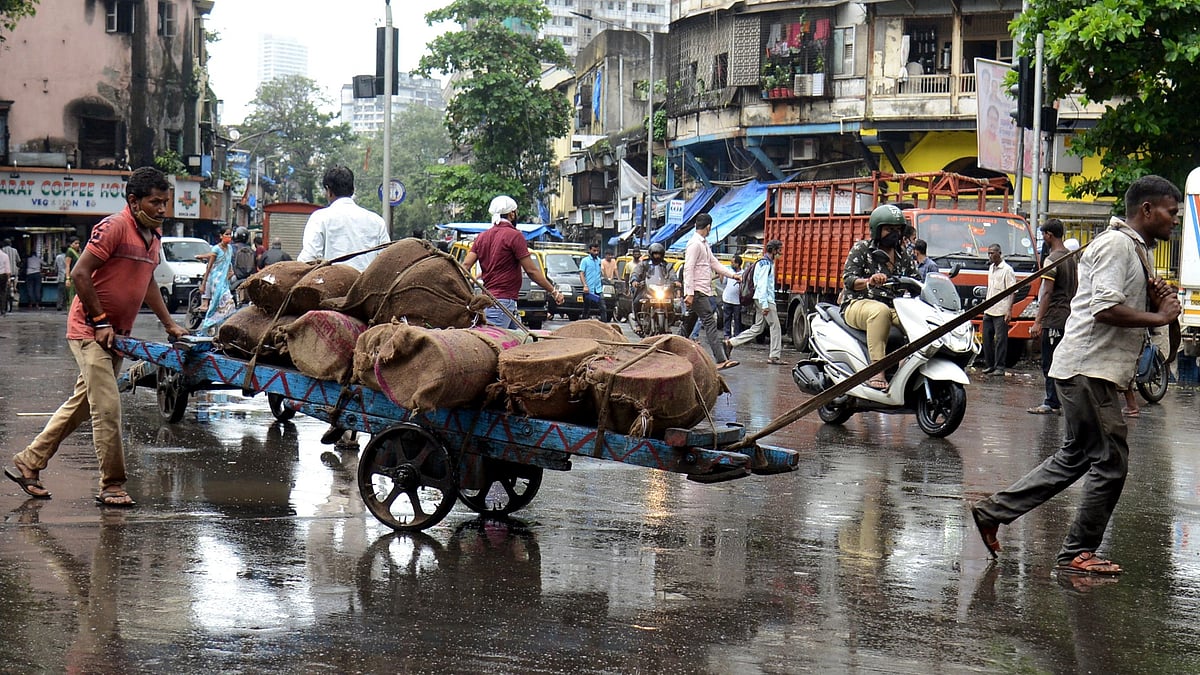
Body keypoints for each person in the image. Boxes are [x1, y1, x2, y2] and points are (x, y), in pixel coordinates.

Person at [970, 175, 1182, 576]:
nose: (1175, 221)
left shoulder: (1134, 249)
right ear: (1147, 210)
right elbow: (1105, 308)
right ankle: (1077, 553)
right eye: (1171, 213)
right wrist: (1159, 314)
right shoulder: (1117, 246)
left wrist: (1158, 305)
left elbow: (1129, 309)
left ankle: (992, 512)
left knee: (1075, 458)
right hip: (1088, 371)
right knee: (1111, 460)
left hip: (1089, 370)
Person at [4, 166, 188, 506]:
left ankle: (29, 461)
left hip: (115, 336)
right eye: (155, 202)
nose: (162, 209)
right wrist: (101, 320)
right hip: (90, 331)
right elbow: (80, 274)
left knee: (81, 405)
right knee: (107, 407)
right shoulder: (115, 227)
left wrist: (170, 325)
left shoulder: (154, 237)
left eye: (165, 202)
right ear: (134, 202)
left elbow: (147, 282)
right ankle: (112, 485)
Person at [841, 204, 918, 390]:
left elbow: (917, 279)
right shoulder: (862, 249)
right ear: (877, 229)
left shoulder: (904, 255)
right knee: (880, 311)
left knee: (918, 320)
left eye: (897, 229)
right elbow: (849, 280)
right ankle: (876, 369)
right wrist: (869, 280)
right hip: (858, 303)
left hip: (895, 306)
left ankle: (908, 366)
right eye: (888, 229)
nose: (894, 233)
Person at [461, 195, 564, 329]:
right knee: (494, 345)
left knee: (518, 344)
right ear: (511, 213)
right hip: (502, 303)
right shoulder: (515, 236)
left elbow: (465, 266)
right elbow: (532, 271)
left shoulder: (482, 237)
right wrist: (554, 291)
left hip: (496, 301)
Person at [1027, 219, 1078, 414]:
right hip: (1068, 316)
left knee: (1050, 362)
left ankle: (1051, 402)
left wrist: (1038, 321)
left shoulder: (1052, 260)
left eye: (1044, 235)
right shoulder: (1071, 258)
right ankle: (1058, 401)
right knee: (1063, 361)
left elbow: (1047, 292)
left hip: (1054, 318)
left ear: (1049, 235)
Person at [298, 166, 391, 272]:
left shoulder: (319, 218)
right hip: (367, 286)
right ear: (352, 189)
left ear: (329, 191)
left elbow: (309, 258)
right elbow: (386, 260)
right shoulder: (377, 221)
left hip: (330, 284)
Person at [680, 213, 739, 370]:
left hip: (702, 291)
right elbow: (688, 268)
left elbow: (714, 263)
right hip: (697, 292)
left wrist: (732, 275)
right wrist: (690, 292)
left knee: (687, 326)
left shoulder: (704, 244)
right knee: (710, 322)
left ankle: (667, 350)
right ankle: (720, 359)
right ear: (709, 227)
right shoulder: (695, 244)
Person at [726, 240, 783, 364]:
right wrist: (765, 305)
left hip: (759, 298)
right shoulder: (766, 264)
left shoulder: (763, 262)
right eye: (779, 250)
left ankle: (731, 342)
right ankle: (774, 356)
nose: (780, 253)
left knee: (758, 328)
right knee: (775, 327)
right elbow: (762, 285)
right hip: (765, 299)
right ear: (773, 251)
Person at [980, 243, 1016, 376]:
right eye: (988, 253)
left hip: (1001, 310)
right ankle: (990, 365)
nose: (990, 256)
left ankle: (1000, 367)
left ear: (999, 253)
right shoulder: (991, 268)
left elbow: (1013, 291)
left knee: (1001, 340)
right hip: (989, 309)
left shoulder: (1007, 270)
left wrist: (1009, 310)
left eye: (992, 253)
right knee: (986, 338)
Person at [198, 228, 236, 334]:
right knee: (218, 303)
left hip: (224, 281)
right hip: (215, 281)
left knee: (228, 305)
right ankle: (209, 325)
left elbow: (228, 263)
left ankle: (219, 328)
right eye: (226, 234)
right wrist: (203, 284)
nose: (229, 236)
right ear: (221, 236)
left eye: (230, 234)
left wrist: (231, 272)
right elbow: (209, 268)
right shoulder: (216, 249)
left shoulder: (230, 249)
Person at [579, 242, 608, 321]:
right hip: (588, 289)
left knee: (603, 308)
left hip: (598, 289)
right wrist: (585, 285)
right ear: (590, 250)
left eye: (597, 251)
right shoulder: (585, 261)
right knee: (586, 309)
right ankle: (583, 324)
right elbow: (581, 273)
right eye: (594, 251)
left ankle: (604, 326)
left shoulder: (599, 261)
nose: (596, 253)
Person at [721, 255, 744, 338]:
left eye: (733, 263)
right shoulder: (729, 272)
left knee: (737, 319)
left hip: (737, 301)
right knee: (727, 318)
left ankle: (737, 335)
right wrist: (721, 273)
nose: (731, 264)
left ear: (738, 264)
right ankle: (727, 334)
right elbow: (723, 282)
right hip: (727, 299)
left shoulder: (743, 274)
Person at [64, 237, 81, 307]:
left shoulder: (77, 252)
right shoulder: (69, 251)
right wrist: (67, 278)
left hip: (77, 277)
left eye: (78, 243)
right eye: (75, 243)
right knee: (72, 296)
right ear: (71, 244)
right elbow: (67, 266)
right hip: (71, 277)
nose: (78, 245)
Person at [54, 245, 69, 310]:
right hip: (68, 276)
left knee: (60, 293)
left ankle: (59, 306)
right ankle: (67, 305)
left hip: (60, 276)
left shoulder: (58, 257)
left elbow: (55, 267)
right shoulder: (69, 257)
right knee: (67, 293)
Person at [0, 244, 9, 315]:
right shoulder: (5, 256)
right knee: (3, 293)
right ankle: (2, 310)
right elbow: (8, 269)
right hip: (3, 276)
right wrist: (8, 279)